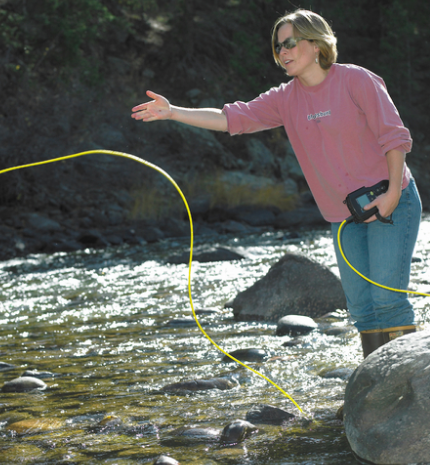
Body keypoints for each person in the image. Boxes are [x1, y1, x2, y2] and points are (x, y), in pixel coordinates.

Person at [131, 9, 422, 358]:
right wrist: (174, 111)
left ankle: (408, 389)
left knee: (388, 302)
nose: (282, 53)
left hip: (392, 201)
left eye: (289, 43)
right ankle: (376, 393)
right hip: (345, 218)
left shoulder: (356, 80)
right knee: (362, 309)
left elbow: (394, 137)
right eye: (277, 47)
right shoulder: (285, 98)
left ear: (316, 44)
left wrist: (392, 192)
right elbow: (229, 118)